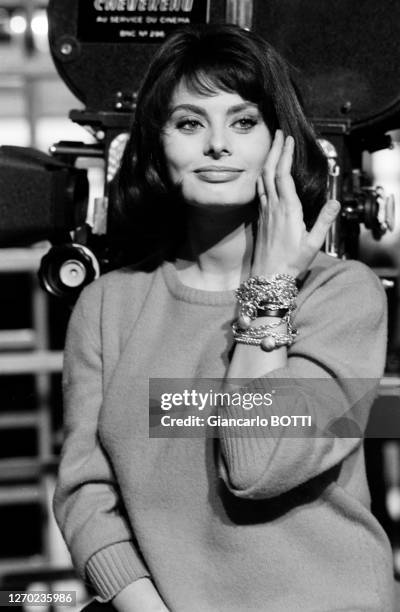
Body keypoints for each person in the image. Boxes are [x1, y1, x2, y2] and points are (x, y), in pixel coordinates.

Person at [53, 24, 395, 612]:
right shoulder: (109, 306)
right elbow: (86, 495)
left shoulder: (344, 297)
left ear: (280, 142)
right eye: (189, 123)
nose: (217, 145)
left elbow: (258, 464)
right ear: (158, 143)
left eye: (243, 122)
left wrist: (269, 290)